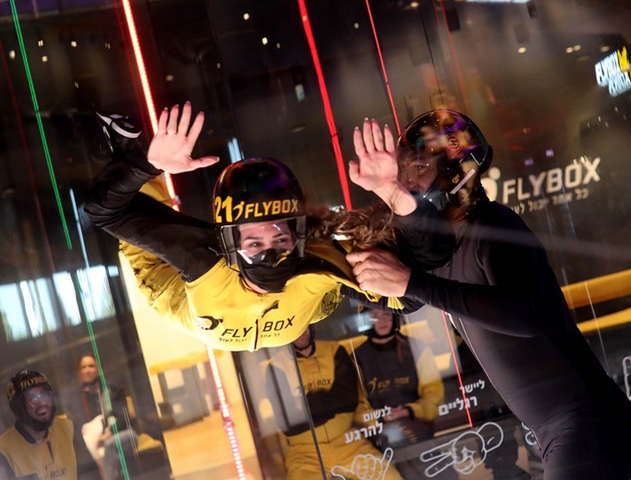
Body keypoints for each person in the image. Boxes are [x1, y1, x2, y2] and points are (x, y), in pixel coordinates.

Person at [346, 111, 631, 479]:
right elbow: (403, 296)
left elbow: (524, 316)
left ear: (456, 169)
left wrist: (411, 281)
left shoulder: (493, 225)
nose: (408, 179)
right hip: (564, 431)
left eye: (419, 166)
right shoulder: (442, 249)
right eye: (403, 170)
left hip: (589, 425)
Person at [84, 102, 443, 352]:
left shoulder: (318, 261)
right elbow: (107, 213)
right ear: (227, 242)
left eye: (279, 236)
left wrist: (394, 194)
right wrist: (145, 163)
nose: (270, 250)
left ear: (298, 235)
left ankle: (131, 156)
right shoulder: (203, 257)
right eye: (254, 241)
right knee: (143, 230)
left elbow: (408, 296)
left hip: (271, 314)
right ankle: (126, 150)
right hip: (182, 294)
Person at [270, 327, 403, 480]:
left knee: (390, 477)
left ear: (311, 327)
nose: (301, 334)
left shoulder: (333, 350)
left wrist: (306, 405)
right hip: (305, 453)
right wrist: (331, 402)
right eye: (295, 330)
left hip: (347, 442)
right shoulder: (277, 366)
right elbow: (290, 425)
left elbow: (348, 400)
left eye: (304, 327)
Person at [351, 309, 450, 479]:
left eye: (387, 315)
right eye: (375, 316)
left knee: (406, 440)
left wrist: (409, 411)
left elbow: (434, 395)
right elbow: (357, 409)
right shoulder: (357, 357)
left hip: (416, 422)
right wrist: (380, 418)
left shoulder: (415, 346)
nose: (383, 321)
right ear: (366, 320)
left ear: (395, 318)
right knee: (397, 437)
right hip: (381, 431)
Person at [0, 370, 82, 480]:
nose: (42, 404)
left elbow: (90, 473)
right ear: (18, 408)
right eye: (32, 399)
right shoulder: (1, 449)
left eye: (44, 395)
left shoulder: (67, 428)